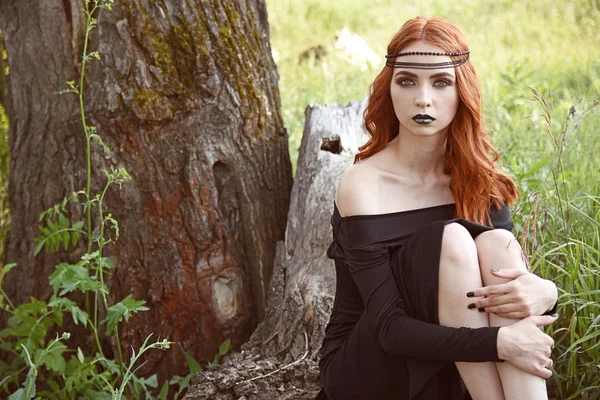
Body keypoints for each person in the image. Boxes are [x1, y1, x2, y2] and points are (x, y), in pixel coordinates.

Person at [316, 16, 559, 400]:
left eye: (441, 82)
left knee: (498, 245)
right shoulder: (362, 186)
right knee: (452, 239)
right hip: (373, 367)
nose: (423, 99)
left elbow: (507, 287)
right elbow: (391, 330)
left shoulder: (479, 177)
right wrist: (500, 343)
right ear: (389, 89)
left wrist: (547, 291)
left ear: (462, 91)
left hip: (459, 360)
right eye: (407, 81)